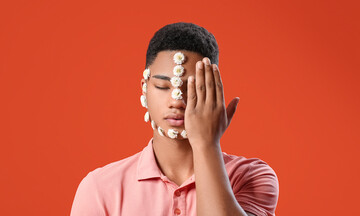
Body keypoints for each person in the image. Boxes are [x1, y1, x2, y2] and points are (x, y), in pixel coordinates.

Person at [70, 22, 279, 216]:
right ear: (144, 88)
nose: (176, 101)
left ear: (214, 91)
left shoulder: (251, 177)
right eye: (162, 87)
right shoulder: (100, 188)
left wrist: (206, 143)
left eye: (192, 88)